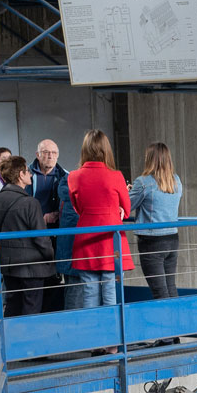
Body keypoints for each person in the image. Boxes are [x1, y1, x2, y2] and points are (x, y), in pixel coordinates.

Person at [67, 129, 132, 308]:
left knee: (89, 292)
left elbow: (77, 208)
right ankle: (112, 335)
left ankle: (94, 334)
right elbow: (126, 210)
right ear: (106, 149)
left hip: (86, 237)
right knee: (111, 291)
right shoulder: (116, 175)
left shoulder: (74, 176)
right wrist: (115, 208)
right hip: (111, 239)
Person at [0, 156, 51, 317]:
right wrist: (51, 256)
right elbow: (41, 237)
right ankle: (29, 341)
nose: (30, 174)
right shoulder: (31, 203)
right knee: (32, 307)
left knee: (13, 304)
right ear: (21, 174)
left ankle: (10, 340)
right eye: (27, 171)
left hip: (8, 265)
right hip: (32, 266)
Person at [130, 141, 184, 299]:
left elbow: (128, 204)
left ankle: (167, 322)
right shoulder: (176, 180)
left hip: (152, 241)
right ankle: (175, 322)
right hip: (172, 239)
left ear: (150, 159)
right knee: (170, 287)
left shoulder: (143, 182)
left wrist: (130, 191)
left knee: (159, 291)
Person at [31, 138, 75, 313]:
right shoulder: (27, 174)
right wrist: (40, 218)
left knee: (57, 273)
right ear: (38, 155)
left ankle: (54, 311)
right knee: (38, 275)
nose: (50, 156)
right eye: (46, 152)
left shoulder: (66, 175)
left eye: (54, 153)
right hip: (34, 232)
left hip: (58, 232)